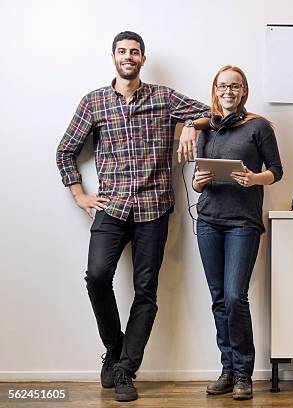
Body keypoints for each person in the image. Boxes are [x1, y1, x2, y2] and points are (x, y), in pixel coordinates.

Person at [56, 31, 211, 402]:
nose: (129, 56)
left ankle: (125, 369)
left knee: (146, 292)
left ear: (143, 59)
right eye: (123, 51)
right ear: (113, 57)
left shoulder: (164, 97)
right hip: (111, 207)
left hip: (153, 209)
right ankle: (115, 348)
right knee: (96, 277)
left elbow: (210, 112)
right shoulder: (93, 102)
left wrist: (189, 124)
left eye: (135, 52)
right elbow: (65, 151)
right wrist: (79, 194)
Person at [192, 66, 283, 400]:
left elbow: (277, 170)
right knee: (218, 299)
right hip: (208, 221)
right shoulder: (205, 128)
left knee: (234, 296)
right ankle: (227, 370)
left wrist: (255, 179)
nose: (228, 91)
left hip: (243, 224)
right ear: (215, 90)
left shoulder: (258, 127)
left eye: (235, 86)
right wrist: (197, 182)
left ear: (244, 91)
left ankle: (244, 373)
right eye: (222, 86)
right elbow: (199, 175)